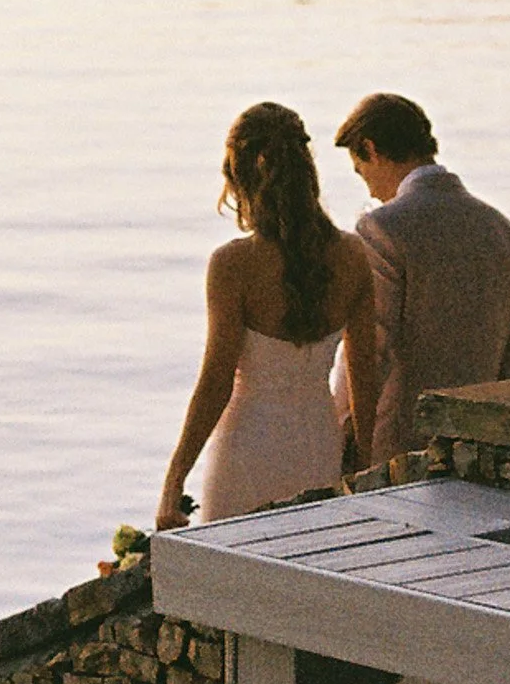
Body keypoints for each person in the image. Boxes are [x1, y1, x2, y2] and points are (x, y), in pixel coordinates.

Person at [156, 103, 380, 530]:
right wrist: (367, 469)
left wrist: (174, 481)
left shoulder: (233, 264)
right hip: (317, 444)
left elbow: (215, 381)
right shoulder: (352, 256)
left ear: (238, 176)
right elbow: (364, 380)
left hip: (246, 446)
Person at [333, 92, 510, 472]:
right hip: (478, 448)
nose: (370, 190)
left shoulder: (382, 228)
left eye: (362, 171)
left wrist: (349, 437)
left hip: (398, 450)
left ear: (370, 148)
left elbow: (371, 351)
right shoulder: (503, 230)